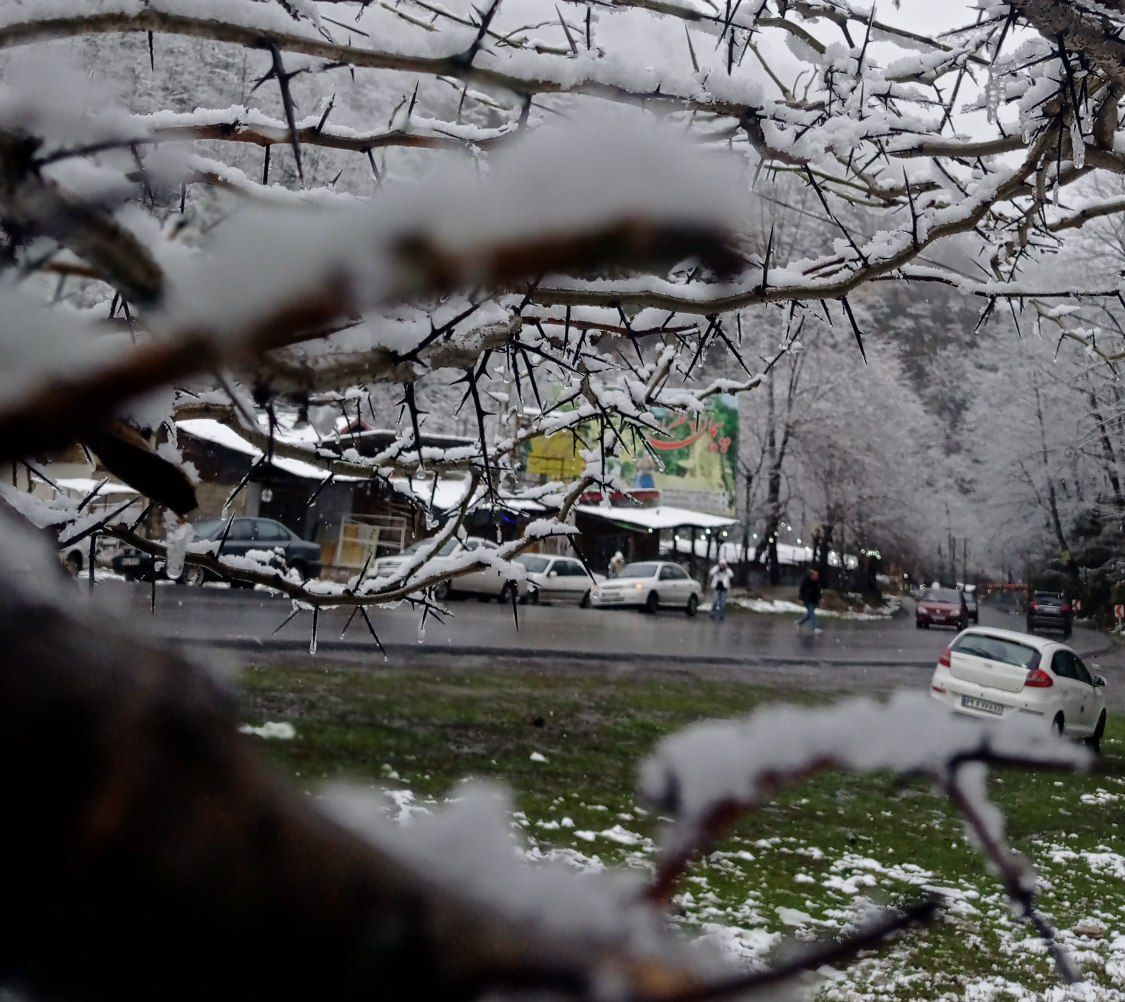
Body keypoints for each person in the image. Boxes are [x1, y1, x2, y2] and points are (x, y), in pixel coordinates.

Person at [796, 568, 822, 633]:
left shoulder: (817, 582)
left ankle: (799, 622)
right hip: (807, 600)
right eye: (815, 575)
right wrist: (801, 598)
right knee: (812, 614)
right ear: (811, 576)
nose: (817, 576)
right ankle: (815, 628)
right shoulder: (806, 581)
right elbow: (801, 590)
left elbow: (818, 591)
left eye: (817, 575)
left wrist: (820, 597)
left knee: (809, 615)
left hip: (814, 601)